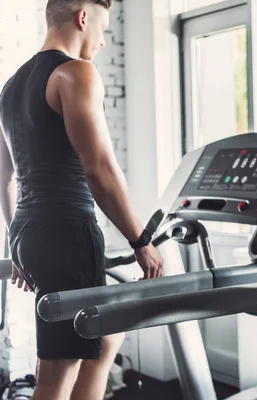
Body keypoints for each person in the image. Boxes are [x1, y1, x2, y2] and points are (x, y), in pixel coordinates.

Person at [0, 1, 164, 399]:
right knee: (57, 373)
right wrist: (141, 241)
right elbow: (101, 170)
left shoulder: (11, 86)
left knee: (104, 337)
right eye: (103, 28)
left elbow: (4, 177)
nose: (104, 41)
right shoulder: (75, 73)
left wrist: (16, 240)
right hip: (67, 233)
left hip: (30, 230)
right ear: (83, 18)